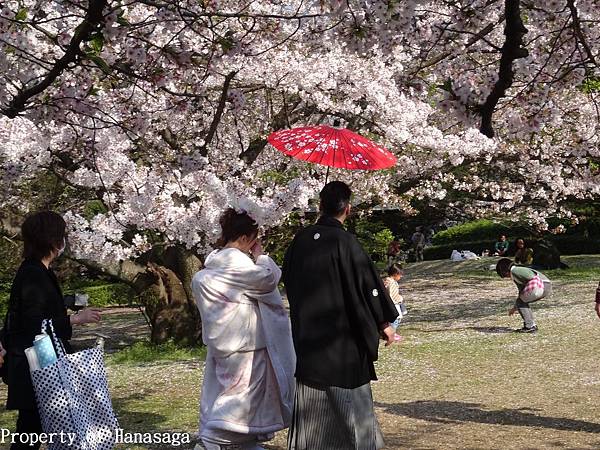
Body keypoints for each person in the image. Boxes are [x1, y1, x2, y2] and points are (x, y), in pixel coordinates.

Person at [282, 181, 399, 450]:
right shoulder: (346, 242)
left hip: (309, 340)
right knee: (352, 409)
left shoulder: (299, 241)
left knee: (314, 410)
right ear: (348, 208)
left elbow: (288, 279)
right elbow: (367, 287)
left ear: (320, 206)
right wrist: (384, 323)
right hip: (342, 342)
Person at [191, 208, 295, 450]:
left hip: (223, 343)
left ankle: (244, 444)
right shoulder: (237, 265)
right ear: (248, 237)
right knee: (243, 400)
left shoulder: (212, 267)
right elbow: (268, 280)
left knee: (233, 394)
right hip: (247, 344)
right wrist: (261, 257)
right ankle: (211, 442)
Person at [2, 211, 101, 450]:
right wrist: (76, 319)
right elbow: (34, 324)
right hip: (36, 365)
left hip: (38, 363)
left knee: (32, 426)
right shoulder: (33, 274)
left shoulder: (38, 271)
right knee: (32, 427)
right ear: (53, 241)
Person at [496, 258, 552, 333]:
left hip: (542, 285)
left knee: (521, 302)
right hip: (545, 286)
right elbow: (522, 292)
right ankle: (531, 325)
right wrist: (515, 307)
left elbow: (532, 277)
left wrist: (517, 304)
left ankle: (530, 326)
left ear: (504, 271)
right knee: (521, 301)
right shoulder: (515, 274)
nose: (507, 277)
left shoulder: (515, 270)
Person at [382, 264, 407, 334]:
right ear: (396, 274)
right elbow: (392, 295)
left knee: (394, 319)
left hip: (390, 304)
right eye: (400, 275)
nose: (401, 277)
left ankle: (391, 332)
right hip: (393, 304)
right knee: (396, 319)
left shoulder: (386, 281)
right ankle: (392, 333)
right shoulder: (391, 283)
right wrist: (399, 299)